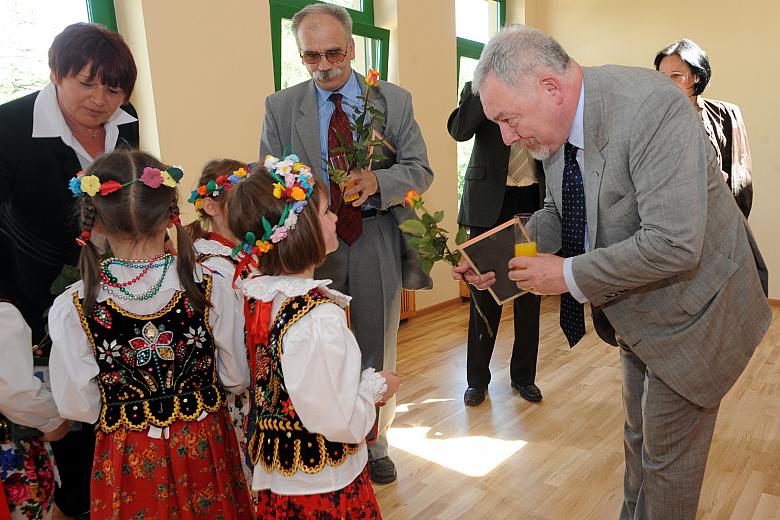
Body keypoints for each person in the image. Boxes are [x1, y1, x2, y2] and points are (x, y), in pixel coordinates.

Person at [454, 25, 770, 520]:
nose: (508, 136)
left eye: (509, 119)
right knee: (639, 436)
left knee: (667, 463)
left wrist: (566, 276)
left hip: (696, 309)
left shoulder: (652, 109)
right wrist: (498, 257)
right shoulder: (555, 129)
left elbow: (673, 244)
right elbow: (560, 214)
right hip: (635, 307)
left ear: (550, 88)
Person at [258, 3, 433, 484]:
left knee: (377, 340)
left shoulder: (392, 101)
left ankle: (375, 440)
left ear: (353, 48)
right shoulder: (280, 106)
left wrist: (377, 181)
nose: (323, 65)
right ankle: (327, 436)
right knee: (316, 344)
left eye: (332, 53)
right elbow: (271, 182)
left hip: (375, 232)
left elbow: (421, 169)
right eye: (310, 57)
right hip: (312, 245)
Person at [48, 150, 253, 519]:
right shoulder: (209, 287)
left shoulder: (74, 305)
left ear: (98, 222)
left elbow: (77, 405)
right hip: (204, 447)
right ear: (169, 214)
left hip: (127, 454)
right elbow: (237, 378)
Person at [0, 23, 139, 517]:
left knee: (110, 404)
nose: (101, 100)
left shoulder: (128, 122)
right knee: (66, 419)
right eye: (86, 83)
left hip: (112, 290)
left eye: (114, 88)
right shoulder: (11, 126)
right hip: (32, 292)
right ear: (55, 73)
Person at [227, 155, 399, 518]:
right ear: (299, 230)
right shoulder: (318, 318)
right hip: (323, 484)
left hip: (282, 477)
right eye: (325, 212)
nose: (337, 217)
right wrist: (375, 388)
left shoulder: (261, 297)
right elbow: (339, 420)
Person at [448, 81, 545, 406]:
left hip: (533, 197)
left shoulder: (539, 91)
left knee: (529, 293)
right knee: (483, 294)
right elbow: (459, 130)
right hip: (489, 203)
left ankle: (523, 378)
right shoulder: (477, 88)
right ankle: (477, 380)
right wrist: (481, 86)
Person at [185, 159, 256, 501]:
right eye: (240, 201)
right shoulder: (214, 268)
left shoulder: (244, 255)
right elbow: (231, 357)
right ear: (211, 206)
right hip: (237, 397)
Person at [655, 38, 753, 217]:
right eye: (662, 77)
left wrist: (734, 223)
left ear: (697, 76)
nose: (667, 84)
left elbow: (740, 179)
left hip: (717, 218)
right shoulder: (650, 118)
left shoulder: (725, 114)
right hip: (669, 221)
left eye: (676, 76)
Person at [0, 293, 70, 520]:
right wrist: (54, 419)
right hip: (9, 451)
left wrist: (17, 359)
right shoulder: (3, 314)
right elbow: (15, 392)